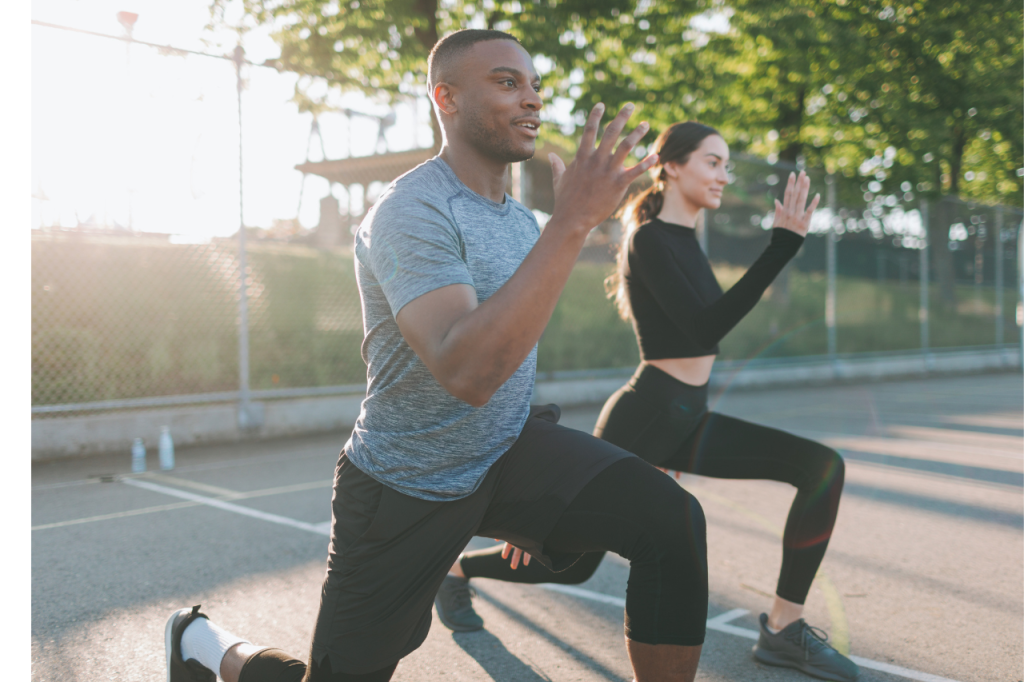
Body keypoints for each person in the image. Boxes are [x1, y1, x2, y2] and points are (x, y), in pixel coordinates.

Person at [165, 29, 712, 682]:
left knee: (671, 521)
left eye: (535, 85)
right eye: (508, 82)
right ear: (445, 97)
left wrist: (534, 497)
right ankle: (204, 645)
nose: (531, 99)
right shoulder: (409, 211)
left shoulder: (518, 222)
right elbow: (466, 371)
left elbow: (510, 354)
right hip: (405, 484)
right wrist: (572, 223)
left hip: (506, 455)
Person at [436, 122, 861, 682]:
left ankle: (783, 629)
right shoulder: (650, 240)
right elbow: (704, 328)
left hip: (690, 417)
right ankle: (458, 571)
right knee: (571, 565)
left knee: (821, 467)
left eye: (726, 164)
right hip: (646, 416)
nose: (723, 175)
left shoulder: (686, 242)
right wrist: (781, 247)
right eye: (713, 162)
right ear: (673, 166)